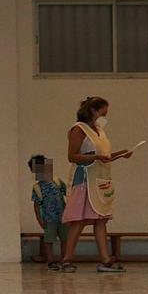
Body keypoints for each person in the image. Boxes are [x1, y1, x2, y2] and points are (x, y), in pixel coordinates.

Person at [59, 97, 132, 273]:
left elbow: (104, 155)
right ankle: (66, 259)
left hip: (101, 181)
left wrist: (122, 153)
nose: (105, 116)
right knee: (79, 220)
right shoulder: (79, 129)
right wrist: (95, 157)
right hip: (84, 180)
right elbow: (72, 156)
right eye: (103, 112)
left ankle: (105, 260)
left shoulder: (99, 130)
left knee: (101, 220)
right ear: (93, 110)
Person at [28, 155, 69, 270]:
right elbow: (36, 205)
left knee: (65, 239)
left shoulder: (57, 182)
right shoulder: (37, 188)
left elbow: (67, 194)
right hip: (48, 218)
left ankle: (65, 260)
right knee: (49, 240)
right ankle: (50, 261)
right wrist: (40, 220)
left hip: (63, 217)